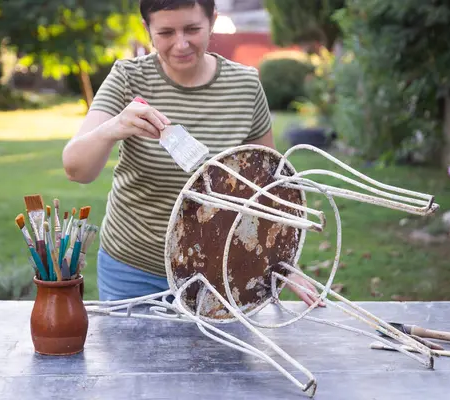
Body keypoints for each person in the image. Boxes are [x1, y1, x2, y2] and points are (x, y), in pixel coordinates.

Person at [62, 0, 322, 307]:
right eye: (166, 32)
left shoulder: (245, 85)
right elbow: (77, 170)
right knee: (133, 357)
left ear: (212, 20)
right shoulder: (128, 77)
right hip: (132, 272)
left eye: (192, 29)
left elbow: (269, 186)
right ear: (147, 30)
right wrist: (115, 126)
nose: (181, 44)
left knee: (218, 357)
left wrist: (281, 261)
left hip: (221, 273)